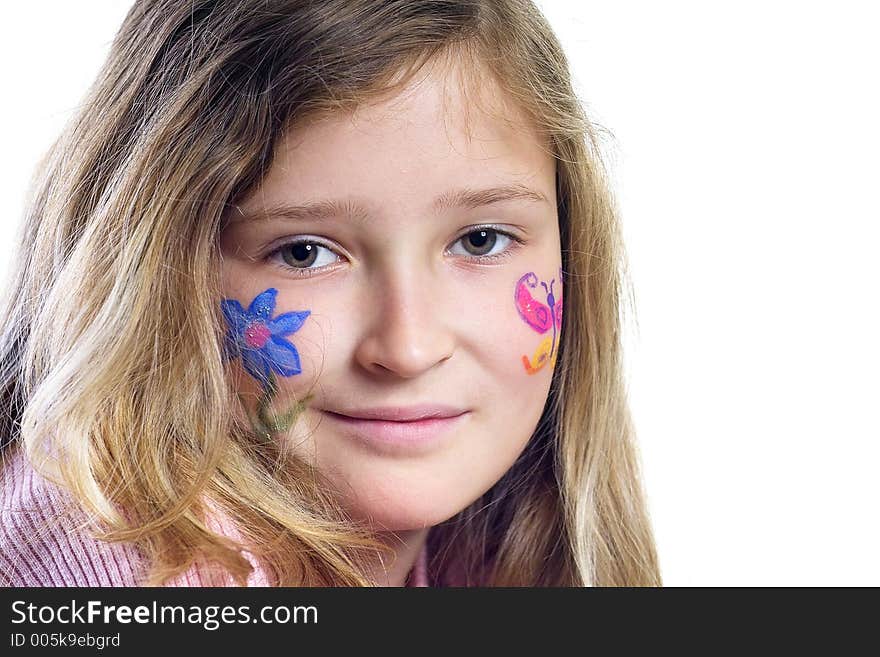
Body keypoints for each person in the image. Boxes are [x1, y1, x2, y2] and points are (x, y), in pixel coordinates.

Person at [0, 0, 660, 587]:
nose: (408, 346)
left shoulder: (489, 548)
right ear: (153, 272)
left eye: (481, 240)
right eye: (304, 252)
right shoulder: (130, 553)